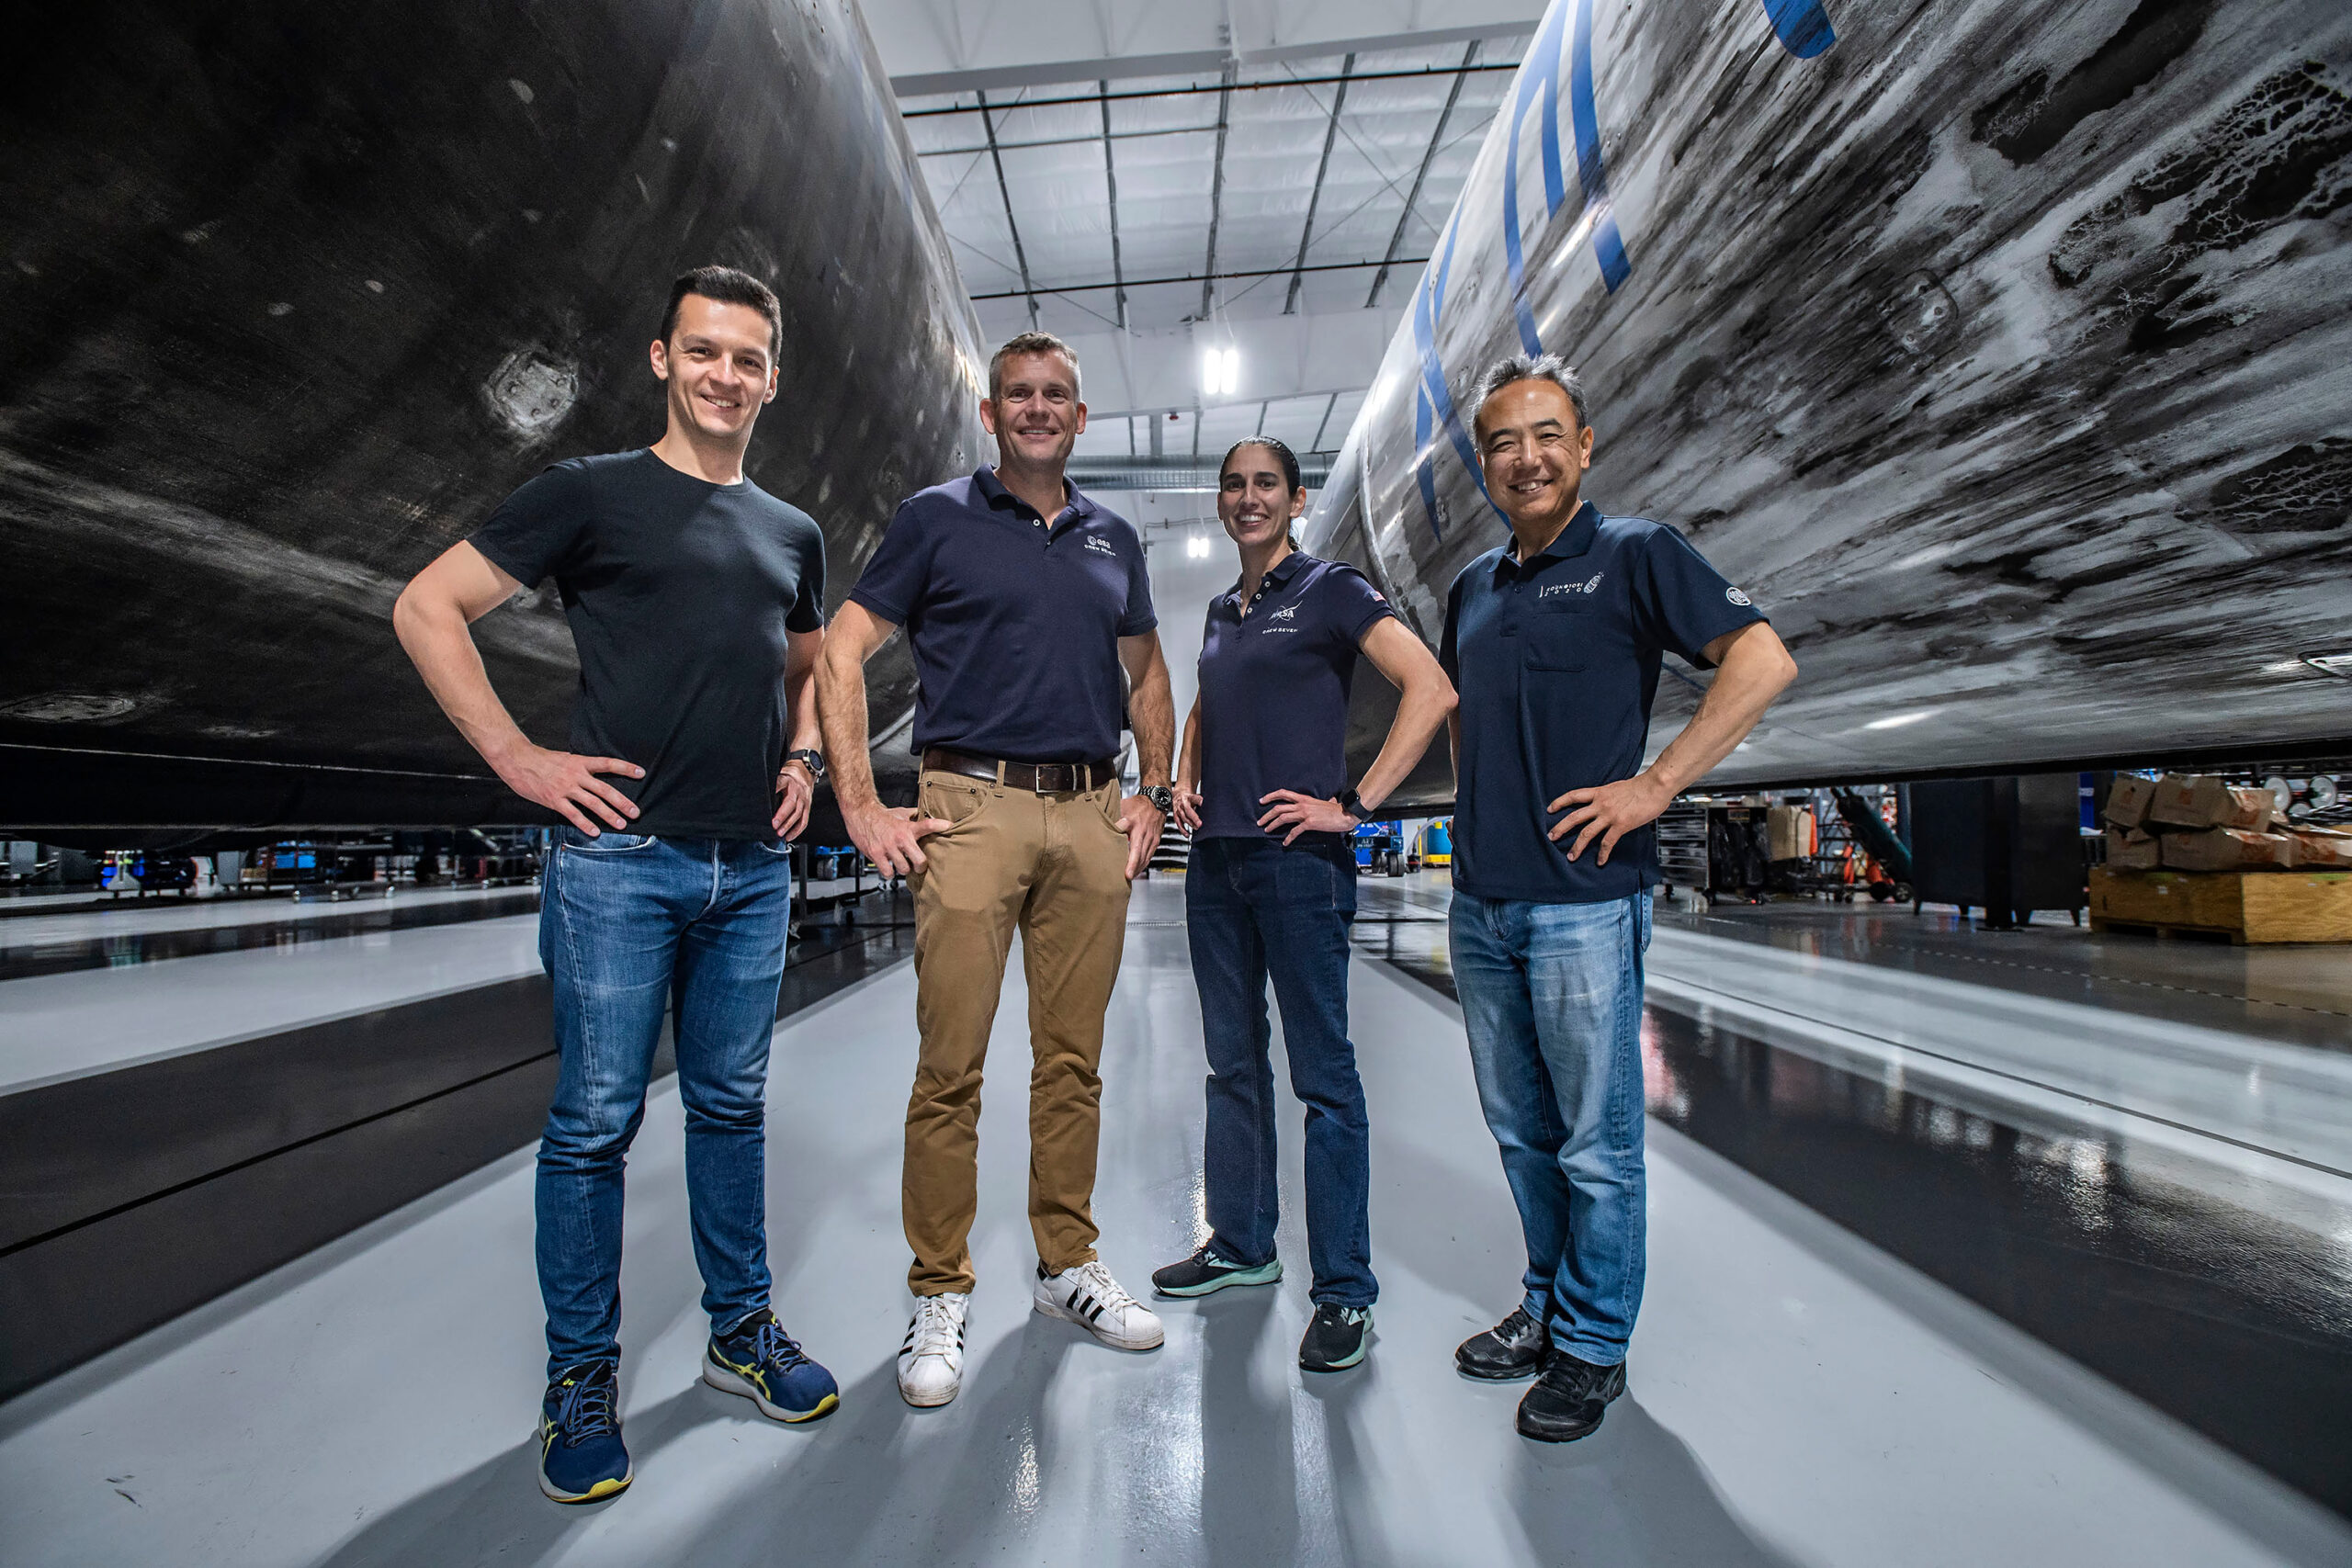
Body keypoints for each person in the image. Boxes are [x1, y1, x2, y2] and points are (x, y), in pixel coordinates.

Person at [392, 265, 840, 1504]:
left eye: (748, 359)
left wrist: (803, 754)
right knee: (594, 1122)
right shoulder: (589, 494)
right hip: (618, 862)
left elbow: (809, 663)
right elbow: (429, 606)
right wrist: (518, 757)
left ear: (772, 377)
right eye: (704, 351)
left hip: (750, 866)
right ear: (661, 357)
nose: (725, 375)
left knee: (733, 1106)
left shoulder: (791, 531)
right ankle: (581, 1373)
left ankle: (740, 1327)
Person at [814, 330, 1177, 1409]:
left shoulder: (1115, 537)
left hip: (1086, 815)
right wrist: (858, 802)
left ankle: (1066, 1266)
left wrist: (1152, 789)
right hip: (967, 805)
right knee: (951, 1070)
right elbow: (842, 648)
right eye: (1016, 393)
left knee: (1073, 1064)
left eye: (1053, 394)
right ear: (990, 414)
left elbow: (1149, 672)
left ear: (1078, 414)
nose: (1034, 408)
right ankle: (939, 1289)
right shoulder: (936, 519)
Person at [1441, 354, 1796, 1442]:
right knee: (1521, 1133)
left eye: (1547, 435)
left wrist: (1653, 787)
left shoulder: (1637, 553)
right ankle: (1545, 1310)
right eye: (1502, 441)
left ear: (1584, 447)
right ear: (1483, 465)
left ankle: (1594, 1347)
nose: (1526, 457)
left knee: (1596, 1143)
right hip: (1483, 905)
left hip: (1583, 905)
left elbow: (1762, 660)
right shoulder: (1471, 588)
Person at [1148, 437, 1456, 1372]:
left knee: (1325, 1079)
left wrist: (1356, 805)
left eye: (1265, 486)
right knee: (1231, 1066)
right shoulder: (1218, 609)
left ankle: (1344, 1292)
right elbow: (1207, 702)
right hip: (1218, 866)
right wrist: (1182, 777)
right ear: (1221, 501)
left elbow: (1430, 688)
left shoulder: (1331, 590)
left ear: (1296, 498)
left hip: (1299, 865)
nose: (1248, 499)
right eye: (1234, 486)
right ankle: (1242, 1245)